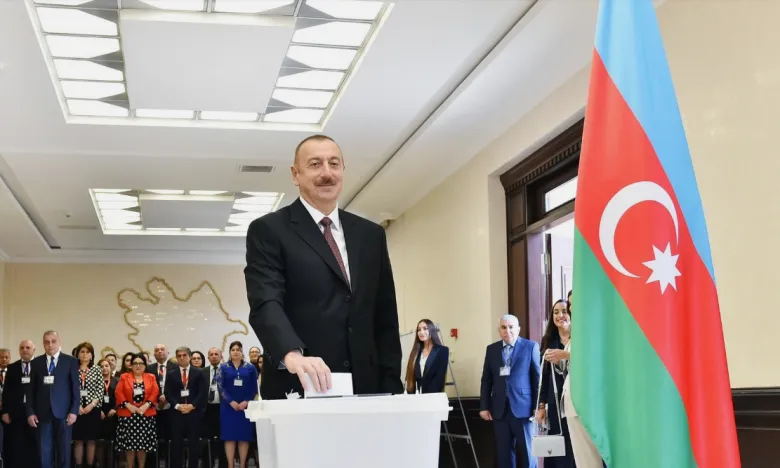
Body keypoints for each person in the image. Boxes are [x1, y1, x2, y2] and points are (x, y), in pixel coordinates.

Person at [244, 134, 402, 399]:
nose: (327, 173)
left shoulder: (371, 235)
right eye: (315, 164)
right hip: (300, 385)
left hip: (368, 389)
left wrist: (392, 388)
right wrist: (291, 354)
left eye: (334, 163)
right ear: (295, 174)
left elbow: (385, 315)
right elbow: (266, 301)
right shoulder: (269, 230)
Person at [479, 315, 540, 468]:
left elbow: (537, 379)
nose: (508, 331)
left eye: (511, 327)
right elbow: (486, 380)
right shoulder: (492, 349)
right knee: (503, 455)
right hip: (500, 410)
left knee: (528, 453)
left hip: (524, 409)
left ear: (518, 329)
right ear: (499, 330)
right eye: (504, 327)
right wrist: (484, 407)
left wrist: (537, 406)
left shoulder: (530, 347)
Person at [26, 330, 80, 468]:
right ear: (43, 344)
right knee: (44, 452)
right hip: (42, 414)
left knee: (64, 453)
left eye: (53, 341)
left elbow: (75, 389)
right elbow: (30, 390)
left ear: (59, 342)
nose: (50, 345)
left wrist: (74, 411)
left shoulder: (70, 361)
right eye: (47, 342)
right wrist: (30, 412)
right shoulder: (36, 362)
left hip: (64, 414)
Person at [536, 300, 575, 468]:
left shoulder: (579, 338)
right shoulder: (548, 341)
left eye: (564, 311)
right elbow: (543, 377)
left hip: (576, 399)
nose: (560, 315)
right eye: (556, 312)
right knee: (560, 446)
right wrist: (541, 405)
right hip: (556, 403)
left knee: (576, 445)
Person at [217, 341, 259, 468]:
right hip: (228, 407)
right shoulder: (223, 367)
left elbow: (254, 387)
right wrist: (230, 401)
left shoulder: (250, 368)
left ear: (242, 352)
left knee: (243, 437)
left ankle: (242, 465)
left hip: (244, 408)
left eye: (238, 349)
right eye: (233, 350)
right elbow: (220, 386)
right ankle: (230, 465)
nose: (235, 352)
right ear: (229, 352)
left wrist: (246, 401)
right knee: (229, 437)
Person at [165, 346, 208, 468]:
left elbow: (203, 392)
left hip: (194, 413)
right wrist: (177, 406)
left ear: (189, 357)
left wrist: (192, 406)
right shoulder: (171, 374)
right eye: (179, 356)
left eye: (184, 355)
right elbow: (168, 393)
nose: (182, 358)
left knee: (194, 444)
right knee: (176, 444)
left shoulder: (199, 373)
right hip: (177, 414)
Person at [115, 353, 159, 468]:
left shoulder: (151, 377)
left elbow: (155, 392)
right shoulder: (124, 377)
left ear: (145, 365)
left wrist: (146, 406)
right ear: (131, 365)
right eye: (135, 363)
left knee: (142, 445)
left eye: (141, 363)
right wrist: (128, 405)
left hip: (145, 415)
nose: (138, 366)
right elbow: (118, 392)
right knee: (129, 446)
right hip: (128, 415)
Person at [1, 340, 39, 468]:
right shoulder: (12, 367)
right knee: (17, 445)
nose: (25, 350)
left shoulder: (40, 365)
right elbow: (6, 391)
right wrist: (5, 411)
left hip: (35, 413)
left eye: (28, 347)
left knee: (34, 445)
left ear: (34, 350)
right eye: (22, 348)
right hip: (16, 412)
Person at [72, 342, 104, 468]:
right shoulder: (72, 368)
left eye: (87, 352)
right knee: (78, 440)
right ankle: (78, 465)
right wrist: (77, 405)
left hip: (93, 409)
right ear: (78, 354)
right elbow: (69, 388)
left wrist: (92, 404)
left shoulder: (96, 369)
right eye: (82, 352)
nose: (85, 354)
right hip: (77, 409)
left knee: (91, 440)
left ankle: (90, 465)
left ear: (92, 355)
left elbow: (100, 389)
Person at [404, 319, 449, 394]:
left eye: (425, 328)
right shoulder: (416, 352)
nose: (421, 332)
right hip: (417, 396)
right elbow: (411, 377)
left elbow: (439, 377)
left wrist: (427, 396)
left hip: (434, 395)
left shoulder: (442, 350)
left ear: (431, 330)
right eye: (419, 330)